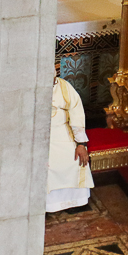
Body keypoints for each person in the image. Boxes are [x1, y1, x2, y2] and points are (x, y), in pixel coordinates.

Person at [46, 73, 94, 212]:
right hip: (39, 135)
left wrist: (81, 144)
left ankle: (75, 203)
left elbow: (76, 114)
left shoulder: (64, 87)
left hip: (63, 131)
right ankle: (48, 206)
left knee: (74, 160)